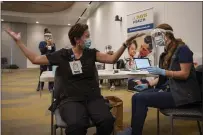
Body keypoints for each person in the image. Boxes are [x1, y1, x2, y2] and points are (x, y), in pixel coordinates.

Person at [5, 23, 137, 135]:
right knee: (76, 126)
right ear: (77, 39)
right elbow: (35, 59)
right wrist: (18, 41)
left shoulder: (91, 53)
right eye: (87, 36)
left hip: (93, 98)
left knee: (107, 121)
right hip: (71, 99)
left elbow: (112, 58)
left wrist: (125, 44)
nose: (89, 39)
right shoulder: (63, 55)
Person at [118, 23, 201, 135]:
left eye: (158, 34)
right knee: (136, 97)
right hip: (170, 89)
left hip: (182, 95)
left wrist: (163, 71)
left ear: (167, 34)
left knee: (142, 99)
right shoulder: (165, 54)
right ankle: (133, 129)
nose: (155, 38)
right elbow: (163, 77)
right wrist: (148, 84)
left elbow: (184, 74)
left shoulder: (183, 49)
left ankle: (135, 133)